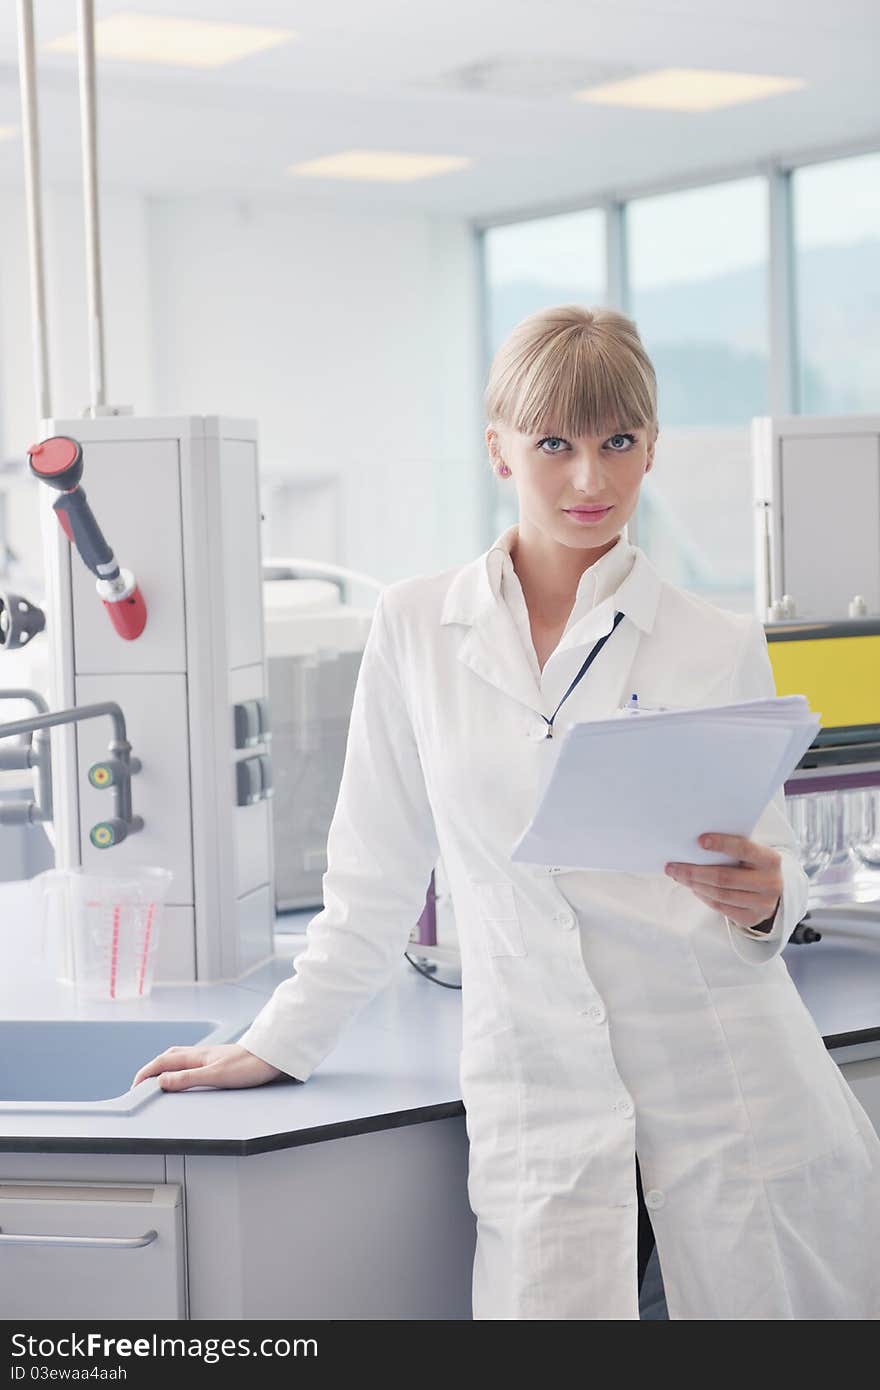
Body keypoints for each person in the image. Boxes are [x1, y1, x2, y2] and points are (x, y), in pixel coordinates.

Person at [133, 305, 880, 1320]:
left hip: (732, 1095)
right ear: (499, 450)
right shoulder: (416, 626)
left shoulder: (714, 640)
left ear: (651, 446)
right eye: (554, 444)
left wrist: (764, 898)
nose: (590, 479)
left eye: (618, 441)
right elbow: (373, 880)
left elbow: (772, 877)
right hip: (542, 1098)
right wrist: (280, 1041)